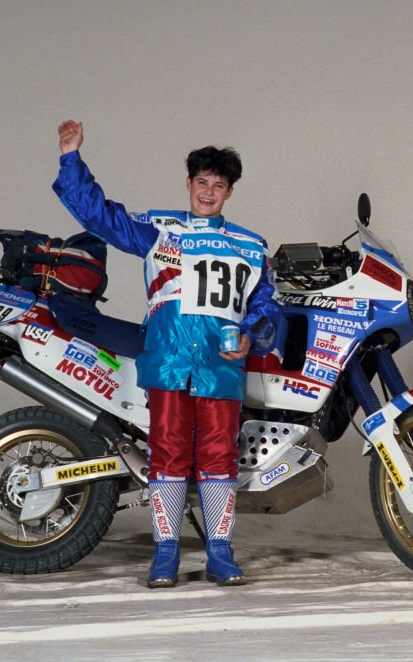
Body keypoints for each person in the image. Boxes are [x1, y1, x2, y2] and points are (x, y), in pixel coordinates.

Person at [52, 120, 279, 588]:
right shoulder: (160, 231)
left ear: (230, 192)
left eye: (219, 185)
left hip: (220, 367)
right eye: (202, 183)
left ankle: (220, 553)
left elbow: (266, 307)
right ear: (189, 184)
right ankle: (165, 554)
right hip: (169, 363)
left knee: (219, 457)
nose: (209, 192)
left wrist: (253, 335)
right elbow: (101, 217)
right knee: (168, 455)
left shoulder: (252, 246)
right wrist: (71, 158)